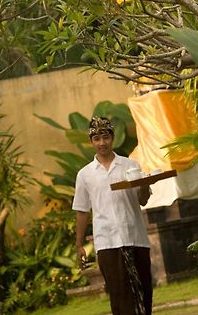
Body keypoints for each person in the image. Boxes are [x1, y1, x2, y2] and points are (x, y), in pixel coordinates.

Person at [72, 116, 153, 315]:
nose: (102, 143)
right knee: (119, 294)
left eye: (106, 137)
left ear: (112, 138)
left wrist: (144, 184)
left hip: (135, 238)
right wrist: (79, 244)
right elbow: (82, 210)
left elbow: (143, 200)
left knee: (143, 290)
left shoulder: (130, 165)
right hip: (107, 242)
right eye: (97, 138)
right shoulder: (85, 174)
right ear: (91, 141)